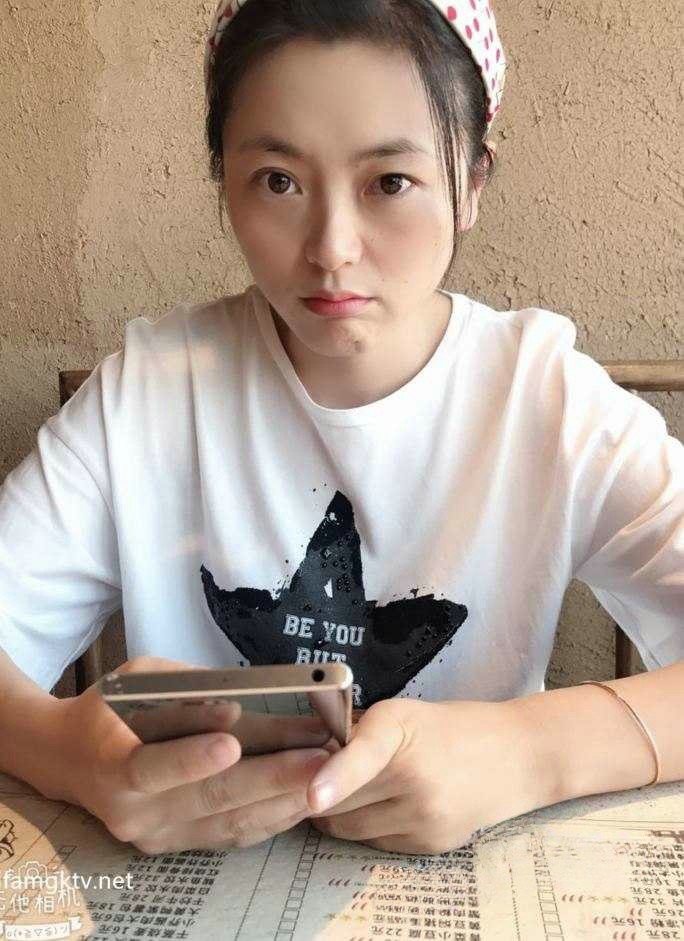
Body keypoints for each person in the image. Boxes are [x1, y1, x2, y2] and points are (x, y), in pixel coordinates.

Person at [0, 0, 682, 858]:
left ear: (472, 182)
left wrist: (529, 752)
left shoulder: (547, 399)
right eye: (277, 180)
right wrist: (66, 754)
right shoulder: (148, 394)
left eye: (389, 182)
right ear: (224, 180)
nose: (331, 248)